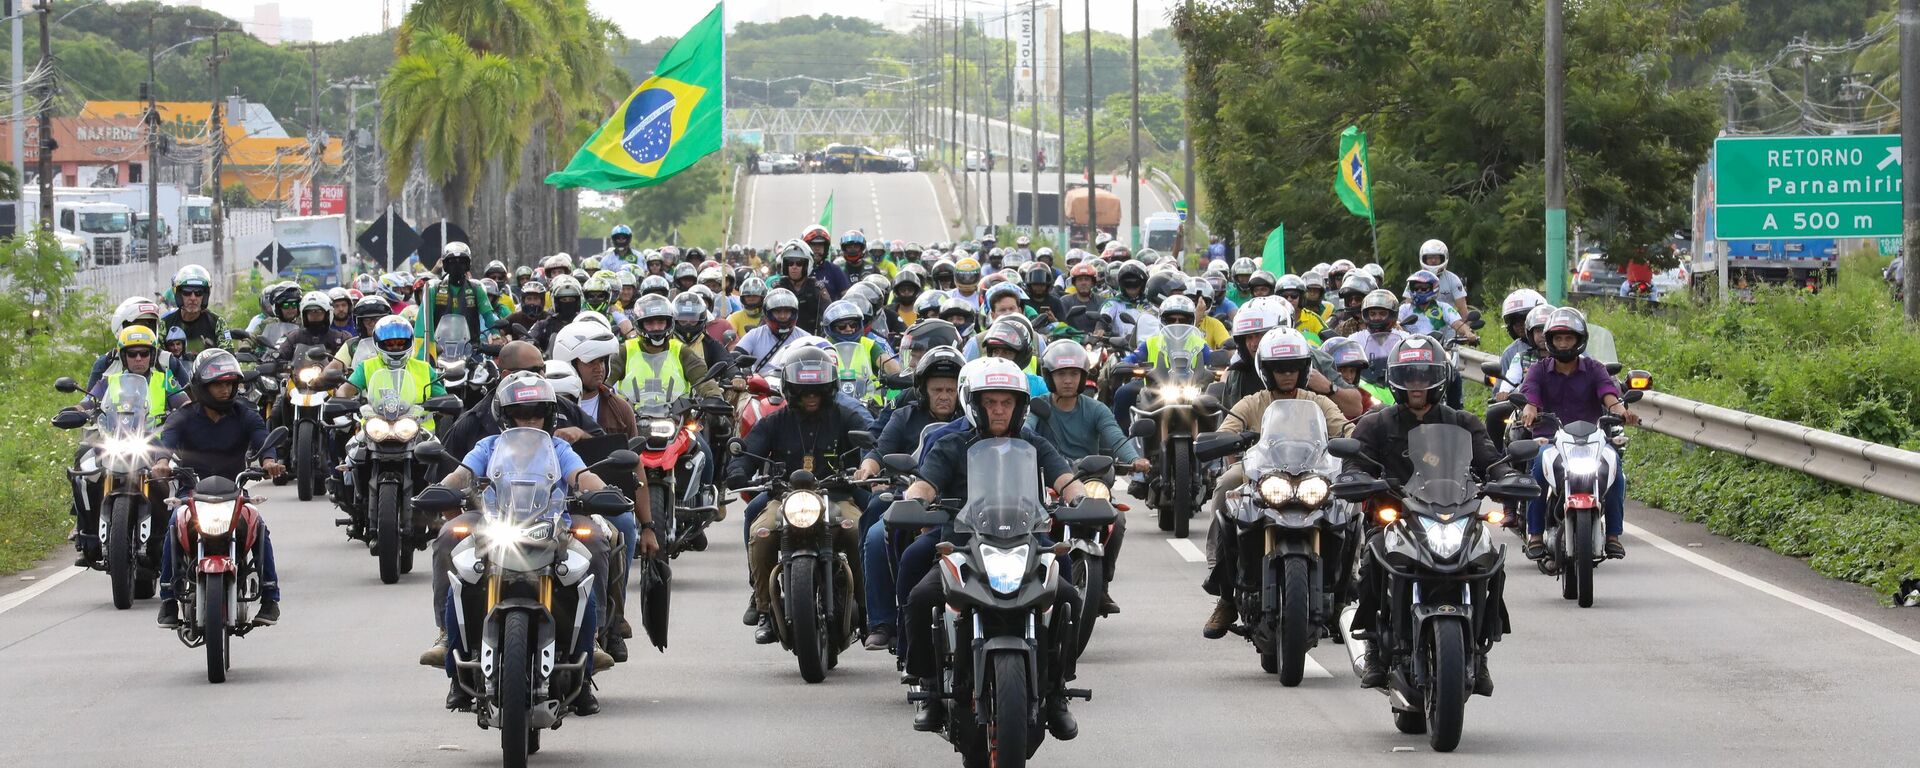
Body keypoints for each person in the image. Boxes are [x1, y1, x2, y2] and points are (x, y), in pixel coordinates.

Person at [900, 357, 1085, 739]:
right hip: (965, 546)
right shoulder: (951, 443)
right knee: (921, 598)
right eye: (990, 402)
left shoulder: (1032, 442)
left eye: (1007, 402)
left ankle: (1056, 692)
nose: (999, 410)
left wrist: (1080, 496)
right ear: (975, 404)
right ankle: (932, 690)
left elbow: (1064, 476)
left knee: (1068, 597)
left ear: (1019, 406)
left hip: (1027, 542)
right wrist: (915, 499)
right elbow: (926, 483)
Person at [420, 372, 621, 714]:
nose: (529, 420)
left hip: (553, 528)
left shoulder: (559, 448)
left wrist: (603, 490)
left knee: (596, 546)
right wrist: (442, 488)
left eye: (537, 413)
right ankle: (450, 650)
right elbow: (462, 474)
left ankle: (589, 656)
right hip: (494, 526)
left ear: (549, 414)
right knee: (447, 540)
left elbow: (582, 476)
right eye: (520, 414)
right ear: (505, 416)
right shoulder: (489, 446)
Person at [1344, 335, 1512, 693]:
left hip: (1454, 514)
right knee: (1373, 558)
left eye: (1423, 375)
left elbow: (1489, 459)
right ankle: (1374, 645)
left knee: (1489, 558)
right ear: (1395, 378)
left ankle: (1481, 651)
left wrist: (1506, 477)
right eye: (1409, 375)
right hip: (1395, 518)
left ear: (1439, 377)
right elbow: (1353, 463)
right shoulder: (1376, 423)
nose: (1416, 384)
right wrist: (1357, 478)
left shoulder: (1462, 422)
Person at [1201, 327, 1352, 637]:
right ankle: (1226, 593)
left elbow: (1344, 428)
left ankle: (1345, 589)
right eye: (1279, 368)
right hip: (1262, 478)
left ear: (1304, 368)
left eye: (1293, 367)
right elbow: (1226, 432)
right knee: (1225, 486)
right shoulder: (1253, 402)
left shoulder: (1318, 402)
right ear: (1265, 371)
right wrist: (1231, 441)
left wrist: (1353, 441)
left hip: (1312, 479)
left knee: (1351, 508)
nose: (1287, 374)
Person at [725, 346, 871, 645]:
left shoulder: (846, 417)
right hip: (785, 498)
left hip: (838, 497)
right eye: (804, 391)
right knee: (761, 533)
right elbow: (747, 449)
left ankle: (869, 608)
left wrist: (868, 466)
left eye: (817, 391)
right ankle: (764, 606)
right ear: (792, 391)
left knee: (859, 532)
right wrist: (738, 469)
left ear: (829, 389)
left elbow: (870, 440)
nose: (811, 396)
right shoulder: (774, 422)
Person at [152, 349, 286, 628]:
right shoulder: (184, 416)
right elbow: (166, 441)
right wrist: (162, 462)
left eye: (229, 384)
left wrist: (270, 461)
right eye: (218, 384)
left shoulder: (246, 415)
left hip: (234, 489)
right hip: (192, 491)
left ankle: (270, 598)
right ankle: (167, 598)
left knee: (257, 523)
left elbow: (263, 441)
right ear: (202, 386)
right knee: (175, 523)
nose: (225, 390)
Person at [851, 344, 965, 650]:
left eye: (951, 389)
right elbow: (879, 449)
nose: (944, 395)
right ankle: (882, 621)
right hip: (905, 494)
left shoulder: (973, 420)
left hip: (959, 504)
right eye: (937, 389)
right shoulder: (903, 415)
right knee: (876, 535)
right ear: (923, 390)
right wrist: (868, 468)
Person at [1028, 339, 1141, 614]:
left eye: (1074, 374)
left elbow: (1115, 436)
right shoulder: (1038, 406)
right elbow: (1025, 433)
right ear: (1049, 376)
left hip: (1088, 483)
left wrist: (1134, 459)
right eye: (1061, 374)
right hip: (1048, 485)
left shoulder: (1096, 409)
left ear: (1082, 377)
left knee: (1119, 519)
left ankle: (1101, 586)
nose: (1067, 380)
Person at [1518, 308, 1638, 561]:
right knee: (1538, 468)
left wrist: (1618, 408)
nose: (1563, 343)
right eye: (1559, 338)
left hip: (1591, 440)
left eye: (1569, 338)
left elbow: (1608, 391)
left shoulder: (1594, 368)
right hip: (1550, 440)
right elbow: (1531, 393)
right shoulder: (1538, 370)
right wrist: (1529, 408)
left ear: (1579, 340)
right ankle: (1536, 535)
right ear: (1550, 341)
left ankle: (1614, 535)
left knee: (1615, 469)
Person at [617, 294, 721, 407]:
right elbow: (604, 380)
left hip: (677, 417)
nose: (656, 327)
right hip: (629, 419)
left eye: (661, 322)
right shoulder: (624, 350)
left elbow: (702, 377)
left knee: (717, 423)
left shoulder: (681, 350)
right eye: (650, 323)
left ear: (669, 322)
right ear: (639, 324)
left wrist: (714, 397)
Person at [414, 242, 503, 358]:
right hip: (439, 350)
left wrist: (496, 336)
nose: (457, 265)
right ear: (445, 265)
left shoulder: (476, 287)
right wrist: (429, 349)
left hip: (471, 349)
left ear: (468, 265)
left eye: (461, 262)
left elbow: (488, 315)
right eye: (452, 262)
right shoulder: (434, 288)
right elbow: (424, 323)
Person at [733, 288, 816, 375]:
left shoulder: (805, 337)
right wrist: (738, 376)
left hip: (796, 384)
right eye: (777, 312)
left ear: (794, 313)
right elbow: (735, 356)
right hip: (761, 386)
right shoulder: (755, 335)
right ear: (767, 313)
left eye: (787, 311)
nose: (783, 316)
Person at [271, 291, 352, 368]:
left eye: (318, 311)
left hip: (334, 380)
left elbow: (355, 360)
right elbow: (277, 354)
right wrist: (272, 361)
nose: (315, 315)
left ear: (328, 314)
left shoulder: (341, 338)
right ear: (304, 315)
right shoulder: (293, 337)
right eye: (311, 312)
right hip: (298, 379)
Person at [159, 264, 225, 356]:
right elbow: (157, 358)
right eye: (187, 293)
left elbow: (228, 356)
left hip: (208, 369)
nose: (193, 298)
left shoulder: (217, 322)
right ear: (179, 295)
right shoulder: (164, 323)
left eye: (198, 293)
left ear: (205, 296)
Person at [771, 240, 833, 333]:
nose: (794, 267)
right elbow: (766, 316)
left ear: (807, 265)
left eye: (799, 263)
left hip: (811, 341)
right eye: (790, 263)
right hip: (781, 339)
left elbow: (829, 314)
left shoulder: (817, 288)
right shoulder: (778, 287)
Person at [528, 275, 585, 355]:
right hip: (551, 365)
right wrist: (529, 342)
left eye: (571, 299)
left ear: (578, 302)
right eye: (564, 300)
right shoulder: (544, 325)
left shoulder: (584, 323)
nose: (567, 303)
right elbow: (528, 338)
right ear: (556, 302)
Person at [1418, 239, 1471, 316]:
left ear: (1443, 258)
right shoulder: (1415, 279)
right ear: (1424, 259)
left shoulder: (1453, 279)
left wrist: (1467, 326)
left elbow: (1462, 308)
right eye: (1429, 257)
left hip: (1448, 324)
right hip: (1421, 325)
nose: (1433, 260)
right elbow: (1408, 306)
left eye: (1436, 257)